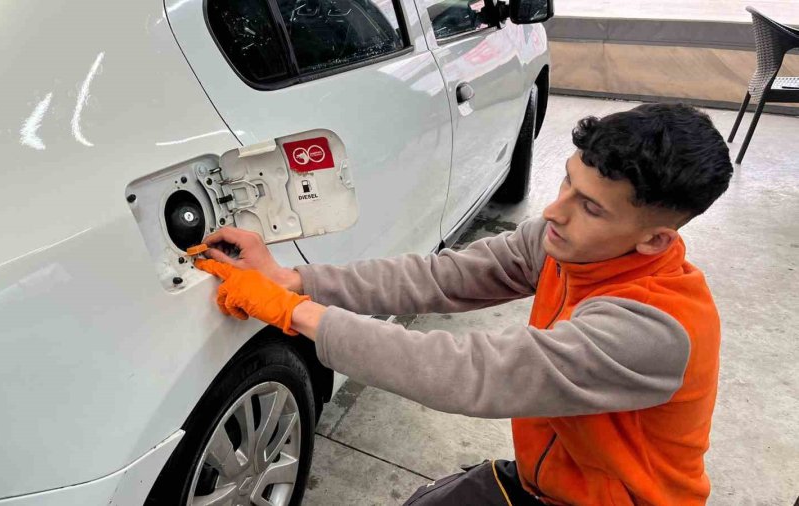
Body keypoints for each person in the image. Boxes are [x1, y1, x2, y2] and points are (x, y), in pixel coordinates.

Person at [195, 103, 734, 505]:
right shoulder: (560, 245)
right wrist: (292, 279)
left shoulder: (656, 329)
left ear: (655, 241)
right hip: (546, 480)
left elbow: (469, 373)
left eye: (590, 207)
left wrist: (293, 313)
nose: (555, 210)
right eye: (568, 182)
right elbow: (441, 277)